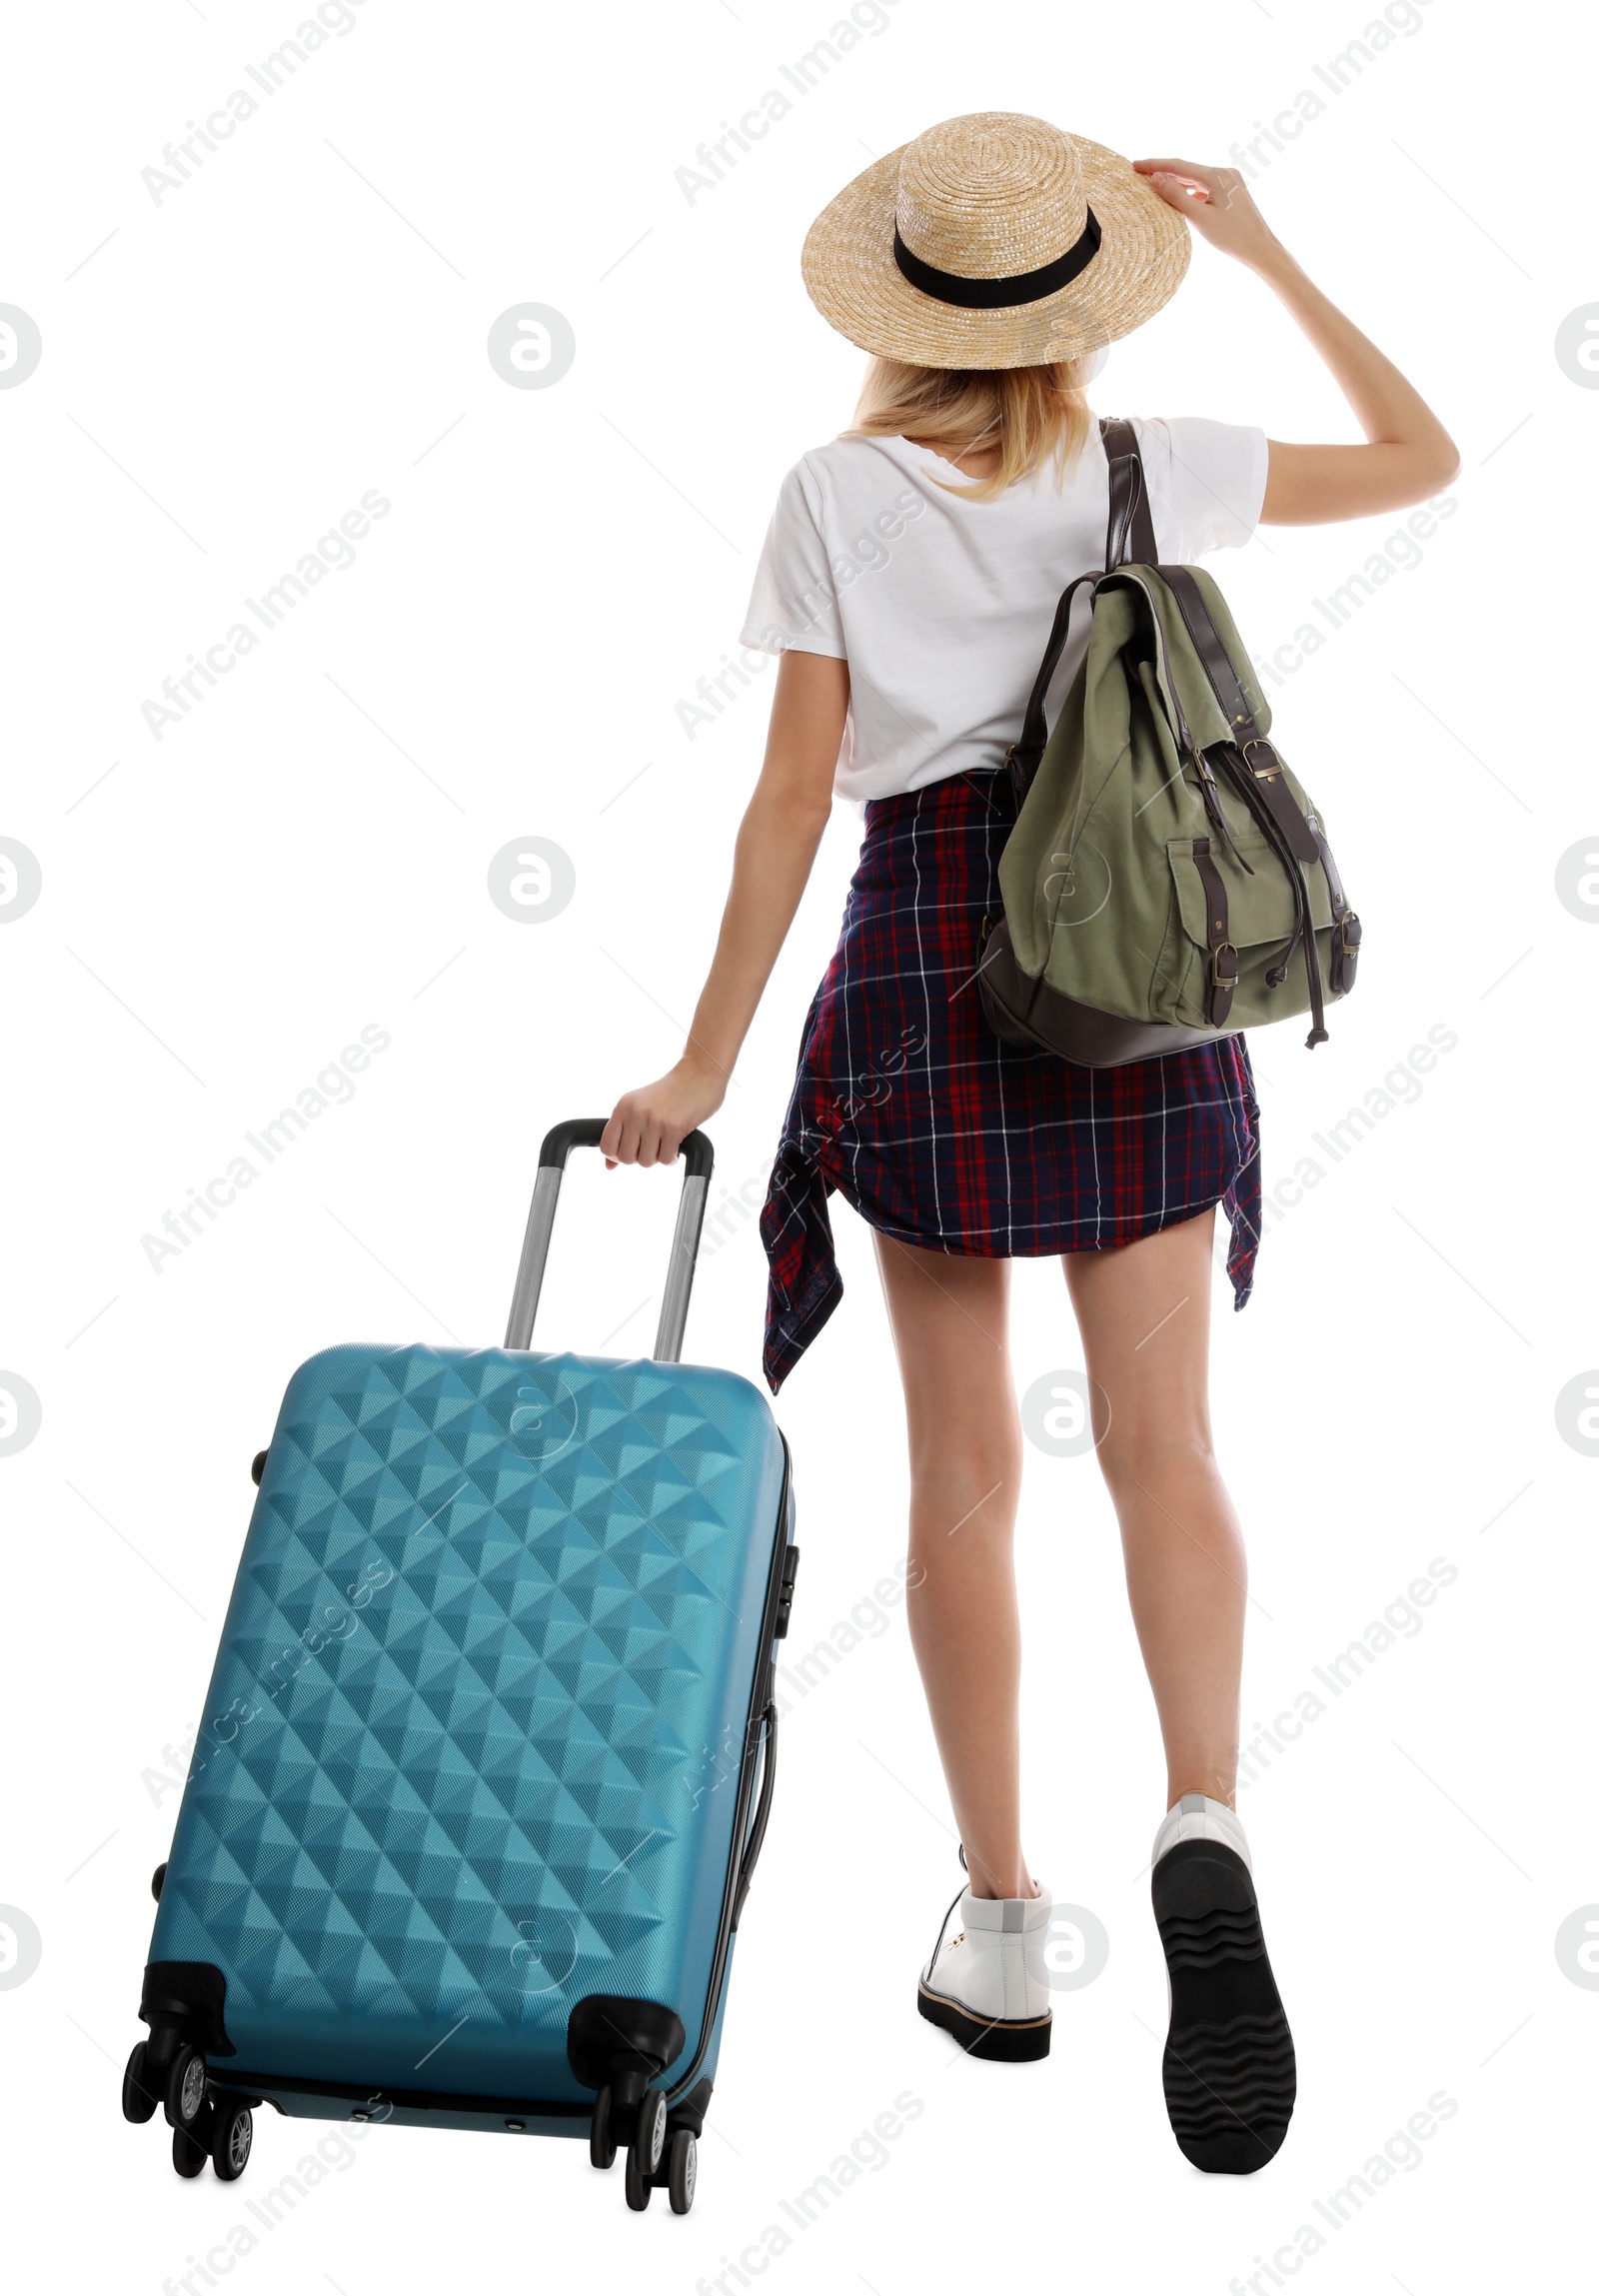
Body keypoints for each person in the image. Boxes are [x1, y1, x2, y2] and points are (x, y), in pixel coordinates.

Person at [602, 113, 1457, 2173]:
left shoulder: (832, 493)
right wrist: (1261, 250)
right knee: (1166, 1448)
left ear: (895, 312)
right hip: (1139, 950)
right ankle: (1200, 1810)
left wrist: (701, 1065)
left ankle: (999, 1921)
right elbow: (1425, 457)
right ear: (1080, 296)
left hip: (922, 969)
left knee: (964, 1467)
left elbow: (789, 806)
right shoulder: (1152, 465)